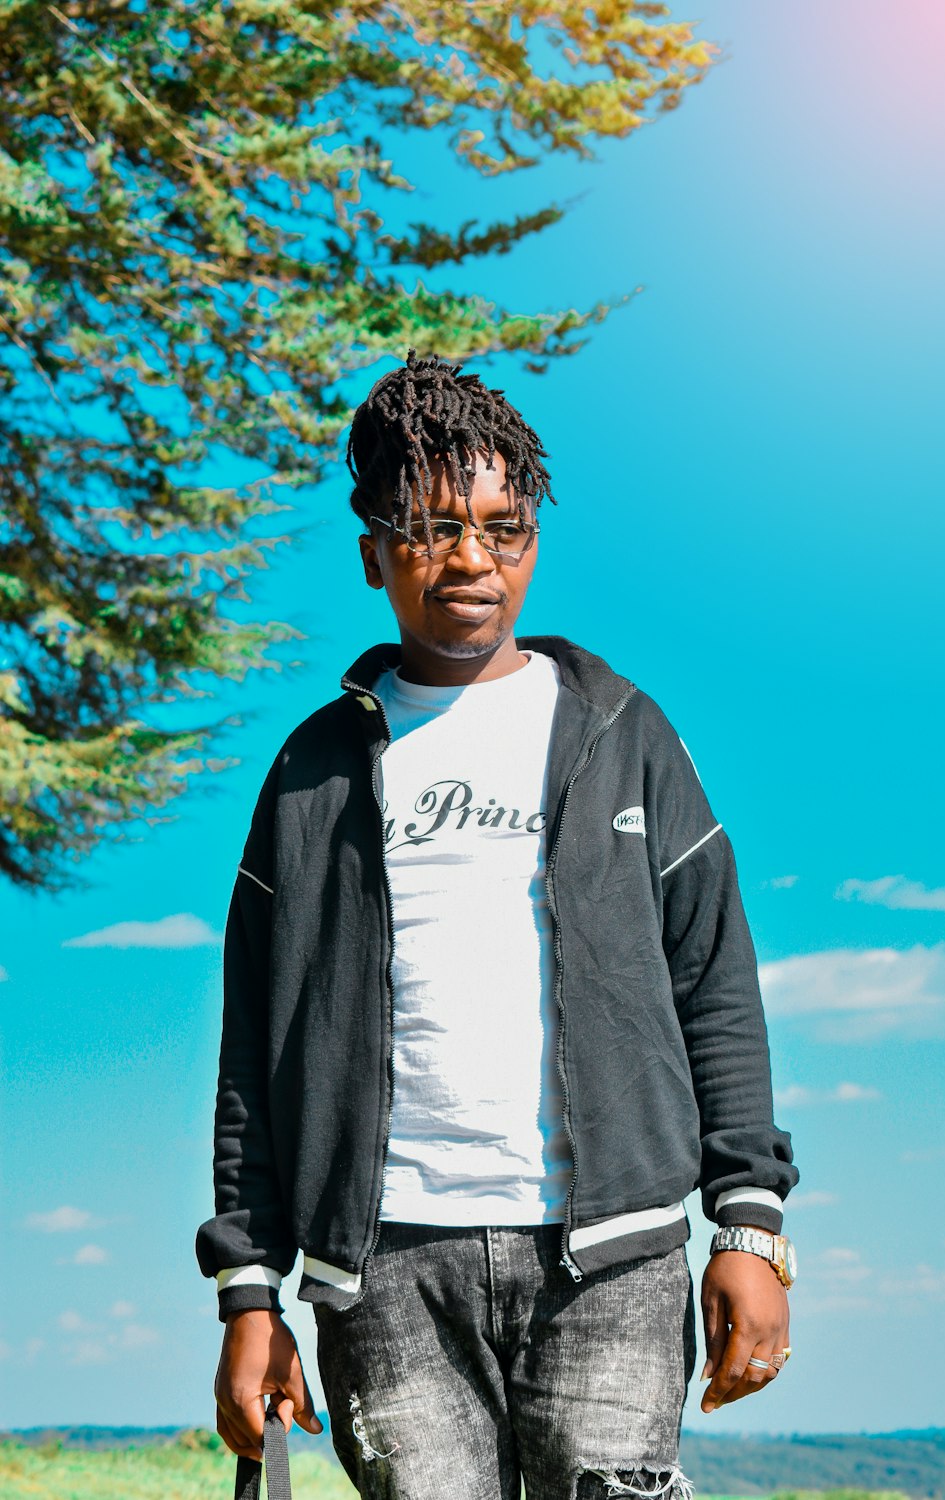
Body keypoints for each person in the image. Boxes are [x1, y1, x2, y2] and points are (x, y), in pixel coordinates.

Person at [196, 348, 799, 1500]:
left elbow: (713, 981)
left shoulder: (625, 733)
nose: (471, 557)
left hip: (613, 1260)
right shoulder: (309, 777)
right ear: (373, 552)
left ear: (531, 538)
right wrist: (250, 1293)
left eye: (503, 526)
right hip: (383, 1272)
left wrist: (747, 1228)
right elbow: (252, 1061)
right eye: (429, 527)